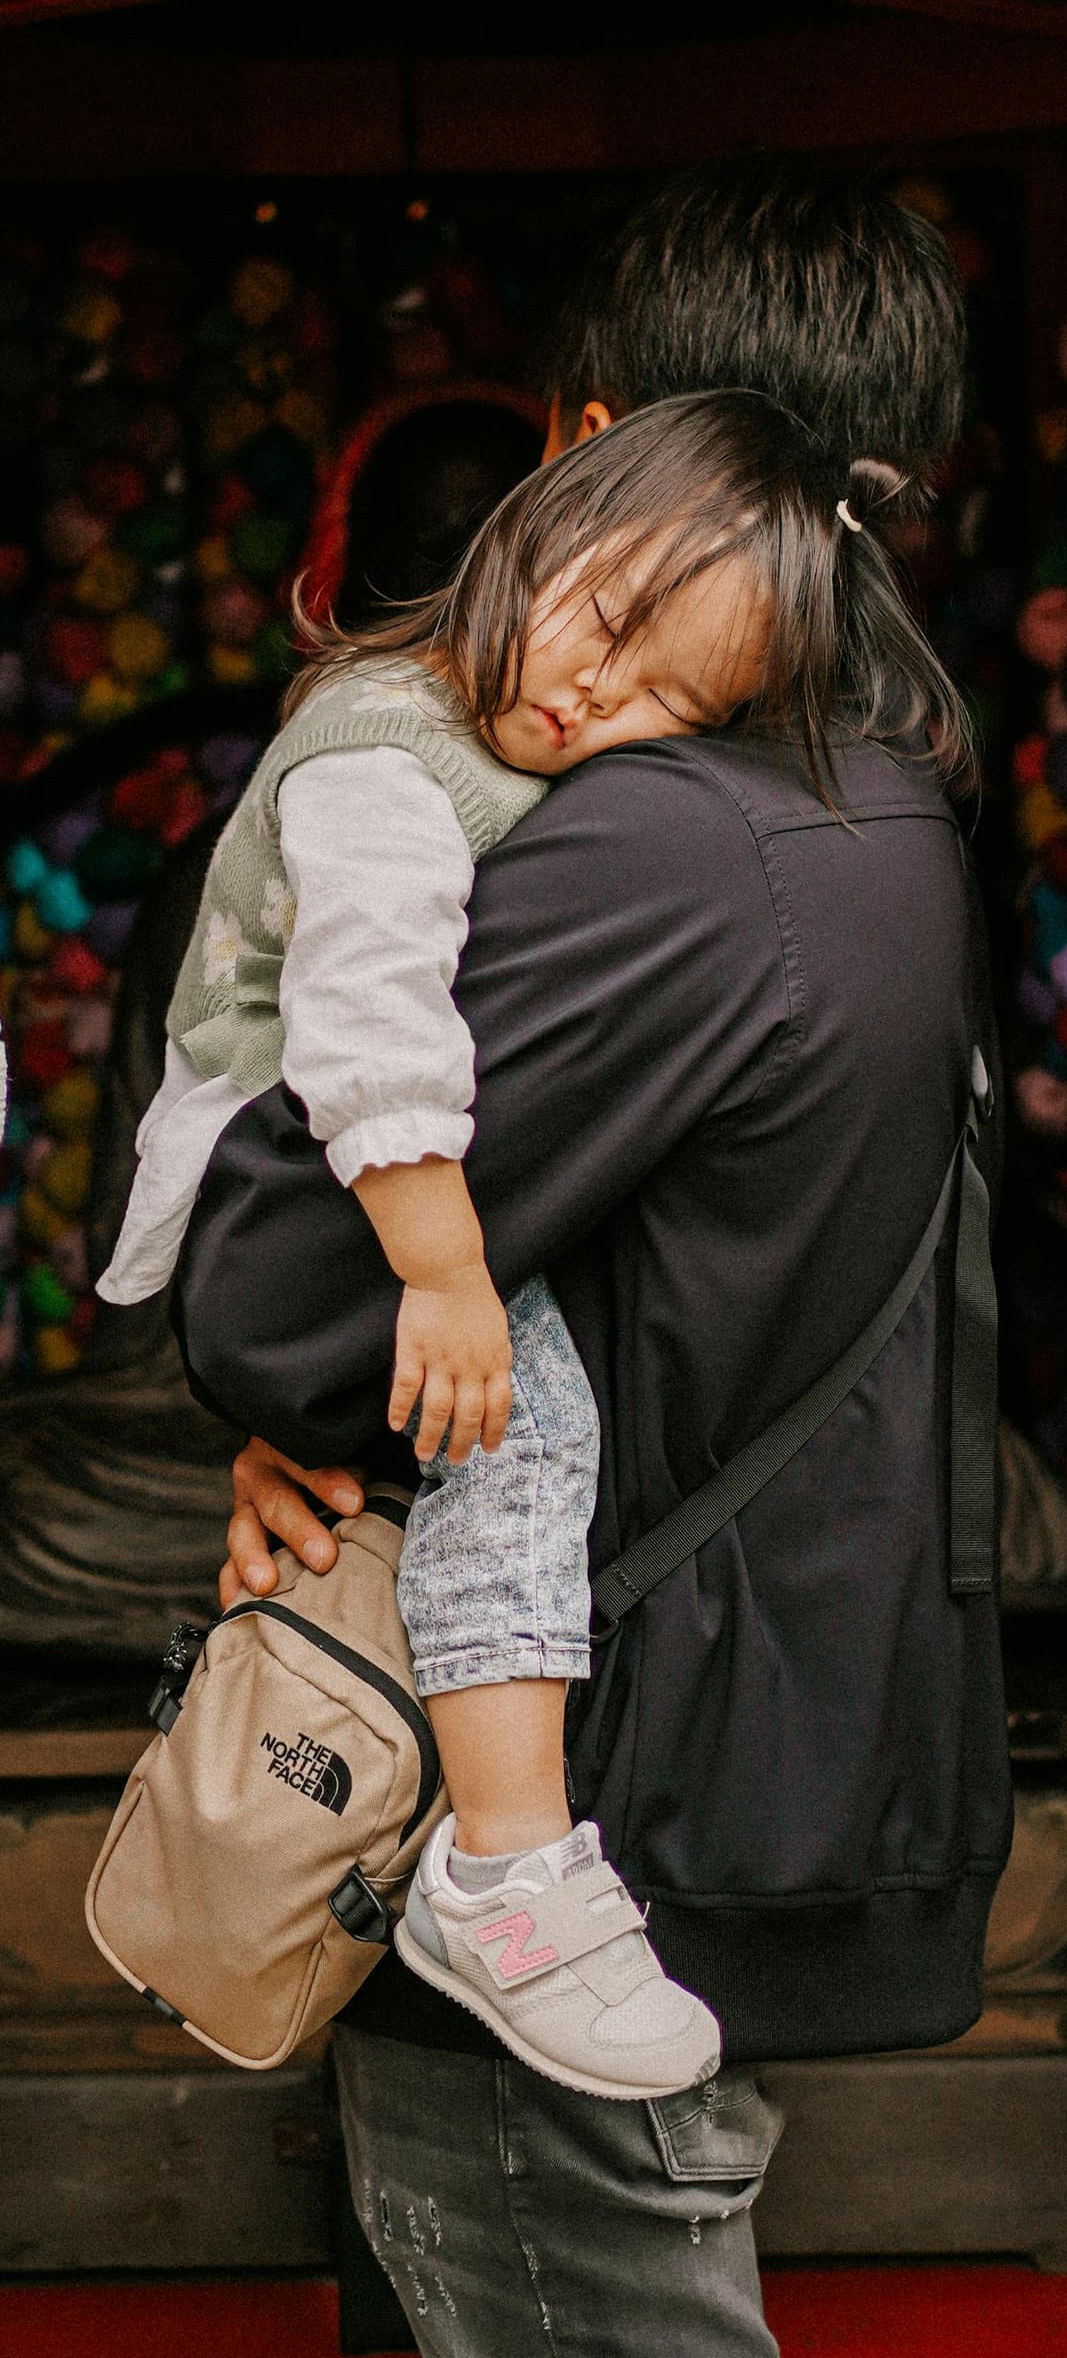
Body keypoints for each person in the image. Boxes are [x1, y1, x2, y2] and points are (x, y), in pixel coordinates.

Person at [173, 164, 1012, 2357]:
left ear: (601, 443)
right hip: (720, 1764)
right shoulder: (873, 796)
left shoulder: (661, 846)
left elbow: (278, 1289)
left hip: (586, 1809)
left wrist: (284, 1388)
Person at [108, 394, 855, 2103]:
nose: (601, 692)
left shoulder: (511, 748)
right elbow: (371, 1030)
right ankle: (505, 1864)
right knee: (525, 1421)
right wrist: (449, 1276)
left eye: (670, 699)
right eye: (605, 620)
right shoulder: (384, 752)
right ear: (536, 518)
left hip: (370, 1177)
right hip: (295, 1178)